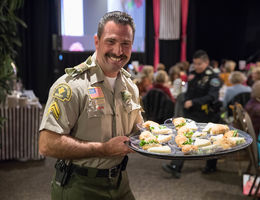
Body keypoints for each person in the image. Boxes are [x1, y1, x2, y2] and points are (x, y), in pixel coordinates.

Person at [38, 11, 143, 200]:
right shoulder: (71, 86)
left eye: (125, 44)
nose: (119, 51)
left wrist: (152, 132)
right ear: (97, 41)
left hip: (120, 182)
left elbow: (137, 127)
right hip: (80, 186)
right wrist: (102, 149)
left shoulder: (130, 86)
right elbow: (47, 144)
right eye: (111, 41)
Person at [163, 50, 222, 177]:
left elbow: (212, 97)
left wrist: (193, 102)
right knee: (183, 137)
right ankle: (175, 166)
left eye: (199, 64)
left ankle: (211, 166)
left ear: (206, 62)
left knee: (211, 140)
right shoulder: (193, 74)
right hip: (192, 113)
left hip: (207, 113)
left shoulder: (213, 78)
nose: (196, 67)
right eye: (195, 64)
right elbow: (189, 91)